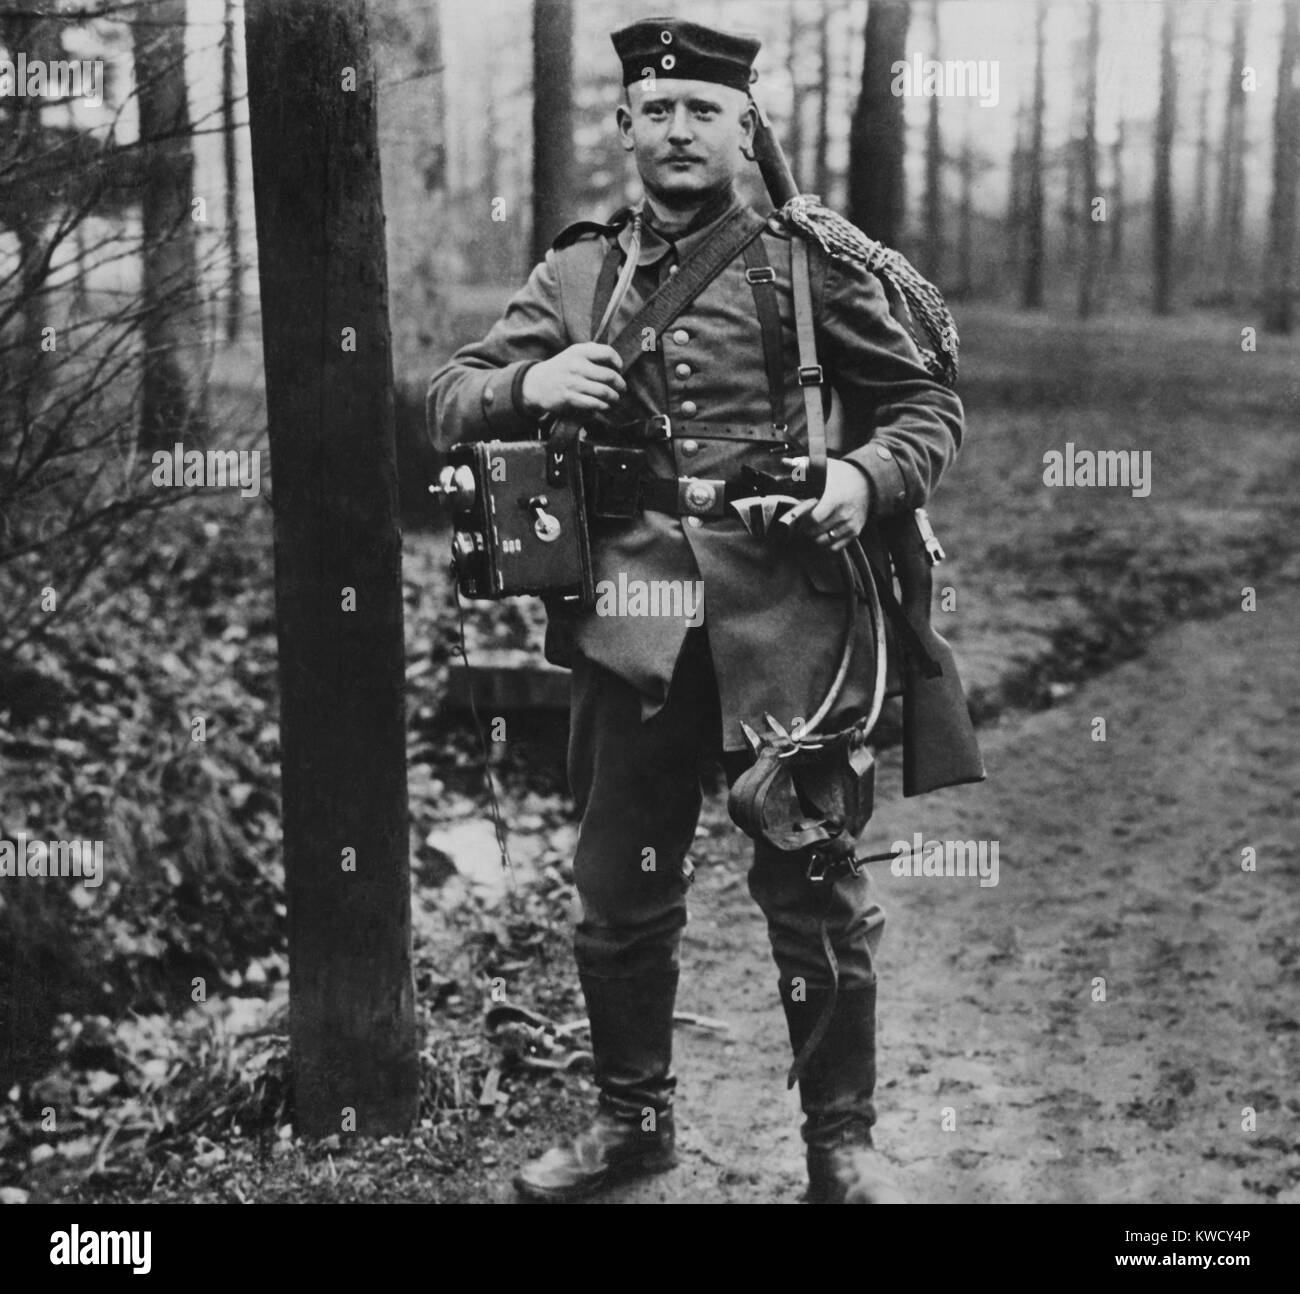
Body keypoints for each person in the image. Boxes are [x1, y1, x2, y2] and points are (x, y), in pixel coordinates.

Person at [426, 16, 965, 1204]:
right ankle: (633, 1125)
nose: (678, 130)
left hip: (792, 629)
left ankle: (841, 1144)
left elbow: (927, 408)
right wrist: (531, 381)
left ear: (743, 125)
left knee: (816, 892)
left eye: (702, 111)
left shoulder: (814, 264)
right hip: (634, 631)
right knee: (619, 890)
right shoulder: (574, 275)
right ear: (626, 125)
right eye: (656, 110)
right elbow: (447, 398)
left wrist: (857, 477)